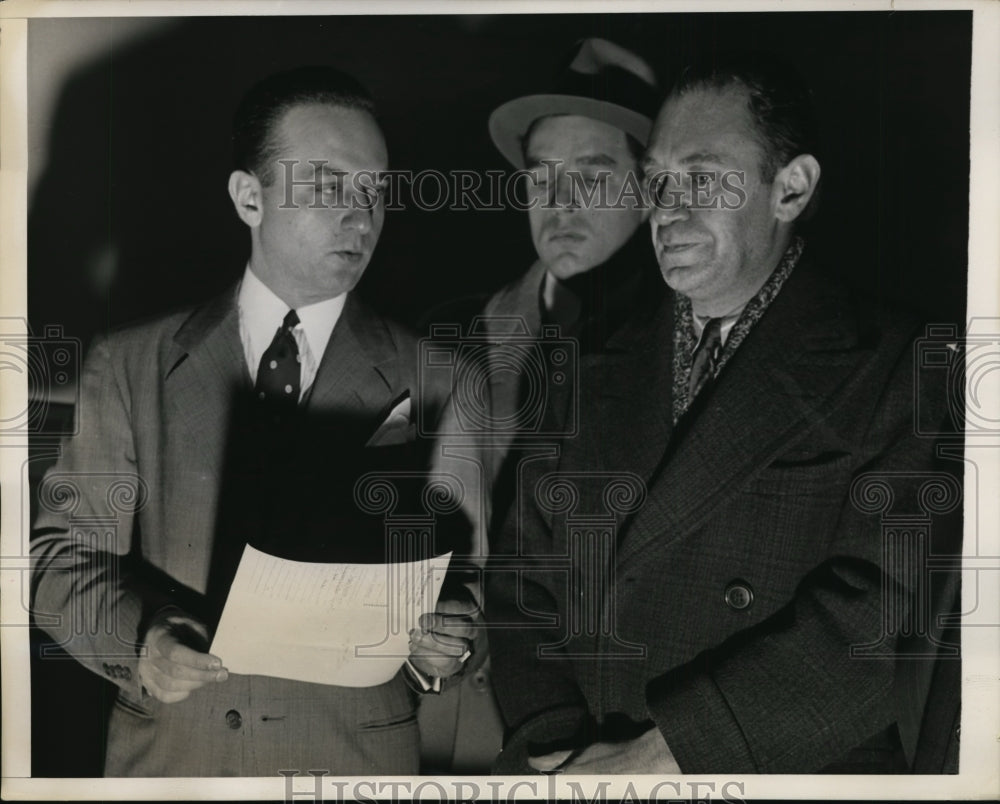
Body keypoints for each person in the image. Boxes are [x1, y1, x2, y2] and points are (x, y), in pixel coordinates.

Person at [486, 53, 958, 774]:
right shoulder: (590, 361)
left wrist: (665, 755)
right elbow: (523, 578)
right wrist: (553, 739)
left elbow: (882, 619)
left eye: (702, 178)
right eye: (658, 182)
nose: (668, 212)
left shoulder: (904, 366)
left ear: (790, 188)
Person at [30, 65, 471, 777]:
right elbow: (57, 561)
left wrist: (445, 641)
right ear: (248, 197)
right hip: (175, 762)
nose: (361, 216)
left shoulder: (441, 378)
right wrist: (140, 641)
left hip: (350, 764)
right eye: (328, 185)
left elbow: (471, 577)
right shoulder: (129, 363)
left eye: (375, 190)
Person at [421, 38, 662, 771]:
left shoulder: (698, 334)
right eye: (541, 178)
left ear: (652, 187)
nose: (558, 205)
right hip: (473, 742)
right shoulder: (480, 334)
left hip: (628, 741)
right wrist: (435, 641)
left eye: (592, 176)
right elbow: (444, 553)